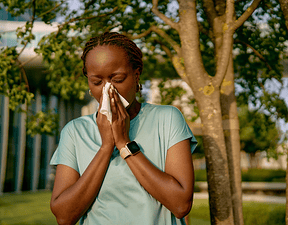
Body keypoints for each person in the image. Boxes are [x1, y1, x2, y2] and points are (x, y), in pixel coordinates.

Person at [50, 32, 197, 225]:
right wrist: (106, 147)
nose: (107, 90)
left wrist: (123, 143)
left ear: (136, 76)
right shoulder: (75, 132)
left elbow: (180, 205)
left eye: (117, 79)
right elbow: (64, 216)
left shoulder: (168, 119)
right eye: (97, 82)